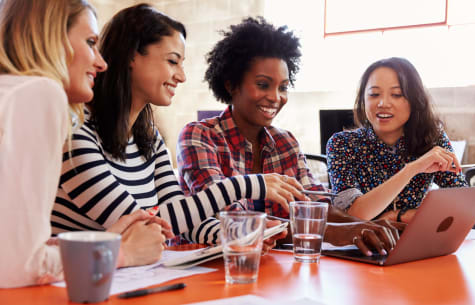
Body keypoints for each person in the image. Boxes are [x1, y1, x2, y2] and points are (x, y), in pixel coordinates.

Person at [52, 4, 300, 249]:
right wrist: (247, 185)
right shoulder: (75, 131)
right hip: (72, 284)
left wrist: (242, 233)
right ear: (131, 56)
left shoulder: (149, 138)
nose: (181, 76)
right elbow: (140, 226)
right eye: (173, 61)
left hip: (128, 279)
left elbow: (183, 222)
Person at [178, 17, 403, 256]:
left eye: (283, 87)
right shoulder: (199, 136)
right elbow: (233, 222)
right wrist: (338, 233)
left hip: (271, 273)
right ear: (232, 84)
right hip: (207, 272)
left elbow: (315, 205)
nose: (276, 97)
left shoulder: (285, 143)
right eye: (263, 84)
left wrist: (364, 226)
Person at [0, 0, 173, 288]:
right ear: (51, 38)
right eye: (91, 42)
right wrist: (121, 252)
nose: (101, 62)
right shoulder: (39, 93)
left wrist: (102, 242)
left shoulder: (12, 91)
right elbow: (18, 266)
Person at [326, 57, 468, 223]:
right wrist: (412, 169)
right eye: (374, 94)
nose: (383, 103)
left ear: (415, 100)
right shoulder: (342, 144)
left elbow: (464, 206)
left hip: (417, 241)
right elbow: (352, 215)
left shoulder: (432, 138)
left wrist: (399, 215)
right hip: (362, 245)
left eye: (397, 94)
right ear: (363, 99)